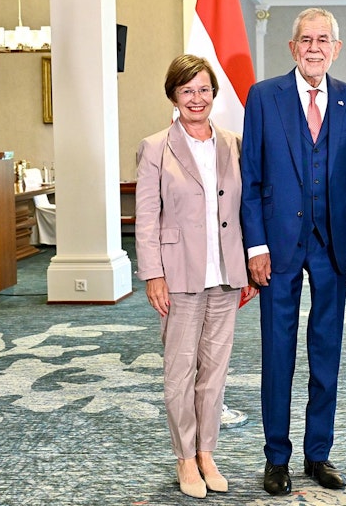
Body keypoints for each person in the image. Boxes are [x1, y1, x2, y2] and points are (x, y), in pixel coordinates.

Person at [241, 7, 346, 496]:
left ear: (335, 49)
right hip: (275, 248)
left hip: (334, 248)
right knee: (278, 353)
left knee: (326, 352)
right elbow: (250, 179)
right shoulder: (263, 97)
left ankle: (319, 453)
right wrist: (255, 244)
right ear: (292, 47)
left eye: (324, 39)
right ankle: (276, 457)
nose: (314, 47)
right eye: (305, 39)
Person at [135, 54, 257, 499]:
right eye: (187, 90)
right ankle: (184, 457)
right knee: (180, 372)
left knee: (215, 373)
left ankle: (207, 452)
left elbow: (245, 210)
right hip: (179, 275)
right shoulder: (154, 148)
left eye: (204, 89)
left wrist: (246, 267)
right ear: (173, 96)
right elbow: (146, 218)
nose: (196, 98)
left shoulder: (233, 143)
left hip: (225, 274)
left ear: (213, 94)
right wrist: (152, 274)